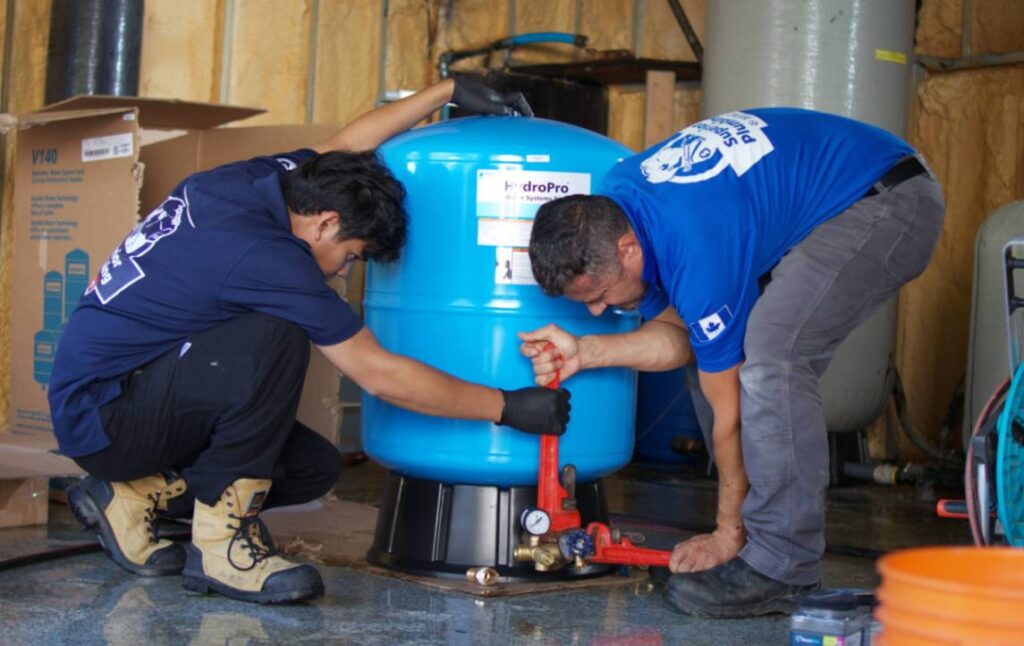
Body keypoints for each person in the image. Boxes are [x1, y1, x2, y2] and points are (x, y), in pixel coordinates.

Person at [49, 76, 569, 605]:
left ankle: (133, 497)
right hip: (105, 419)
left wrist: (450, 90)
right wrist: (505, 406)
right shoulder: (268, 258)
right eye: (351, 256)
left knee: (308, 468)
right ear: (326, 224)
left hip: (122, 394)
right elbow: (379, 373)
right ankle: (219, 549)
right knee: (276, 334)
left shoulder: (263, 183)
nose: (344, 273)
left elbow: (344, 147)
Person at [520, 108, 944, 618]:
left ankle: (780, 565)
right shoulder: (620, 200)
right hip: (826, 206)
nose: (596, 311)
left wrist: (725, 535)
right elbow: (683, 338)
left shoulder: (693, 241)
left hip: (887, 201)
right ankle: (755, 540)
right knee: (722, 356)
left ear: (627, 249)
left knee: (774, 356)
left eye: (601, 295)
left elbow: (730, 414)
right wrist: (587, 351)